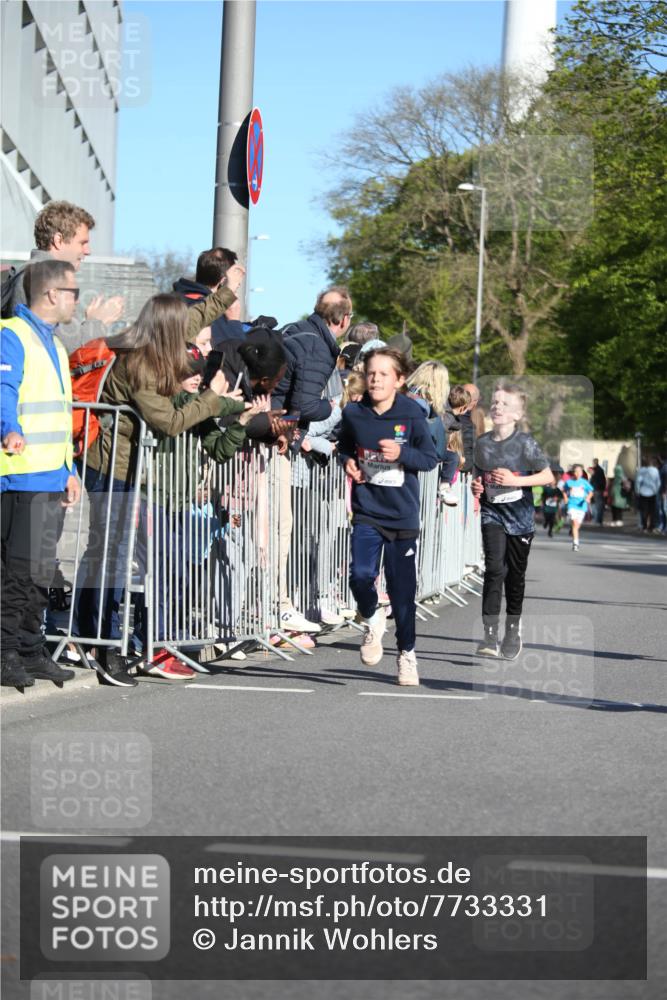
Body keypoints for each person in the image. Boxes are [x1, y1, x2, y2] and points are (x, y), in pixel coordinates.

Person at [75, 294, 245, 684]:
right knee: (111, 556)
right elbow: (169, 422)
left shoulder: (150, 343)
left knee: (108, 552)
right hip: (110, 466)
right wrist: (212, 400)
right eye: (182, 329)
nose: (190, 339)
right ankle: (102, 646)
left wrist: (224, 292)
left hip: (124, 467)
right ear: (168, 329)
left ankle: (89, 636)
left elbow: (194, 318)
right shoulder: (140, 363)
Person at [1, 259, 83, 688]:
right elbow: (4, 390)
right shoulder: (13, 335)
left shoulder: (55, 343)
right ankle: (6, 653)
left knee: (39, 575)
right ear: (52, 294)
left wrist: (68, 469)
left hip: (50, 476)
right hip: (22, 476)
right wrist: (8, 428)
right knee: (18, 574)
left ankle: (31, 650)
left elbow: (59, 415)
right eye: (74, 292)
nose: (76, 300)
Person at [337, 348, 439, 686]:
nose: (376, 379)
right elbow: (345, 446)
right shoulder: (354, 412)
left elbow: (429, 459)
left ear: (398, 379)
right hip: (368, 510)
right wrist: (348, 462)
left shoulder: (412, 414)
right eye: (371, 373)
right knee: (359, 575)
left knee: (402, 592)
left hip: (402, 515)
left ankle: (407, 653)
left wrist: (402, 453)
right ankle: (372, 616)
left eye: (383, 374)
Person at [271, 286, 354, 633]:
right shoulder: (317, 346)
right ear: (344, 320)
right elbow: (304, 405)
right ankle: (277, 606)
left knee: (279, 527)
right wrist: (330, 408)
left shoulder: (297, 330)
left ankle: (277, 605)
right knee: (281, 527)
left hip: (273, 431)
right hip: (274, 438)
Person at [471, 381, 554, 659]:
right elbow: (477, 477)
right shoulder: (482, 443)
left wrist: (515, 480)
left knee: (515, 578)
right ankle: (489, 635)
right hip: (492, 512)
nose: (498, 407)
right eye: (495, 402)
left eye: (505, 404)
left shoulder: (525, 443)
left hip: (520, 519)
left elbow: (547, 476)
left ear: (517, 415)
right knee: (494, 568)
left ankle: (513, 628)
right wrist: (477, 487)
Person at [7, 201, 125, 352]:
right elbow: (70, 348)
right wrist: (98, 321)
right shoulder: (41, 277)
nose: (88, 251)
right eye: (82, 243)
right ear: (58, 241)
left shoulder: (33, 274)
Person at [440, 384, 472, 506]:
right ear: (463, 407)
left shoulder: (444, 411)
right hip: (433, 449)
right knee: (452, 457)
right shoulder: (448, 417)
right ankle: (444, 487)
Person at [562, 464, 594, 550]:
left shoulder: (584, 482)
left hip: (582, 506)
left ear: (581, 473)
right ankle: (575, 543)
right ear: (573, 473)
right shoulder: (569, 482)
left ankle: (573, 530)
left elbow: (591, 492)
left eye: (579, 471)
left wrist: (588, 498)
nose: (577, 473)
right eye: (576, 471)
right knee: (575, 523)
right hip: (572, 505)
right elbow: (564, 490)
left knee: (577, 525)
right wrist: (565, 498)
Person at [635, 457, 661, 533]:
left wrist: (637, 491)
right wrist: (656, 490)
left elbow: (638, 481)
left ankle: (644, 526)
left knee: (644, 510)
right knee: (652, 511)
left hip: (643, 492)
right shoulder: (655, 470)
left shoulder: (641, 471)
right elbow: (658, 482)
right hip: (653, 492)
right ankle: (651, 526)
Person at [589, 458, 607, 525]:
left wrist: (591, 489)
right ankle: (599, 520)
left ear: (594, 463)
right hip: (600, 489)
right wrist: (604, 488)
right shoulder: (601, 470)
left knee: (595, 505)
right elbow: (604, 480)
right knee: (600, 505)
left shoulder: (595, 470)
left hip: (595, 489)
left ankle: (596, 519)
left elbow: (593, 481)